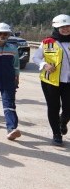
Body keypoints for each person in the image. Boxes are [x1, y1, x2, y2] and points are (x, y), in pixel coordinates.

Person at [32, 14, 70, 146]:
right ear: (56, 27)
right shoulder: (47, 42)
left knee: (68, 108)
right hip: (50, 81)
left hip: (68, 81)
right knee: (53, 107)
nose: (65, 29)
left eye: (68, 26)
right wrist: (44, 65)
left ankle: (63, 121)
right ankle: (56, 134)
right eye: (62, 27)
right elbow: (36, 58)